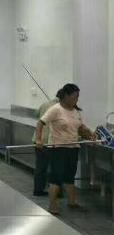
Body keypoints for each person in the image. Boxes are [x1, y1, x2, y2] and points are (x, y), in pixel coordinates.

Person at [35, 83, 96, 215]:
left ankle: (72, 203)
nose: (77, 99)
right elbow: (40, 123)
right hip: (58, 148)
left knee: (69, 177)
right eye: (75, 96)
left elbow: (80, 126)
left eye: (78, 96)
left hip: (73, 147)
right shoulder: (55, 109)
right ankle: (52, 205)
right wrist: (39, 140)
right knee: (56, 178)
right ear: (66, 95)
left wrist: (89, 132)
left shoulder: (76, 111)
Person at [32, 97, 58, 196]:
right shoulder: (61, 107)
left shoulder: (45, 104)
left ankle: (38, 190)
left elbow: (36, 114)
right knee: (55, 167)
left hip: (38, 139)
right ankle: (57, 191)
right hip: (50, 141)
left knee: (40, 167)